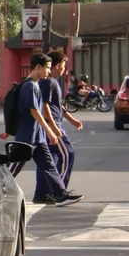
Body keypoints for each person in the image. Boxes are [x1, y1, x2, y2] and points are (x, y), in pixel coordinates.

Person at [0, 52, 82, 207]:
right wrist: (50, 131)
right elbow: (34, 111)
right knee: (14, 167)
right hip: (27, 138)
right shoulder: (30, 86)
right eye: (47, 68)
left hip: (38, 138)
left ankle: (61, 195)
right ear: (38, 67)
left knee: (49, 166)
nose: (49, 71)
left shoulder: (36, 85)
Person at [39, 51, 83, 190]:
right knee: (67, 154)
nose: (64, 69)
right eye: (64, 65)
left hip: (52, 125)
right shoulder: (47, 82)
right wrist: (53, 127)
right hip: (52, 125)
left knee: (49, 161)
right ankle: (59, 191)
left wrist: (72, 120)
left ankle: (43, 193)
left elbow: (58, 106)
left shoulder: (53, 82)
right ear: (57, 65)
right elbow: (45, 106)